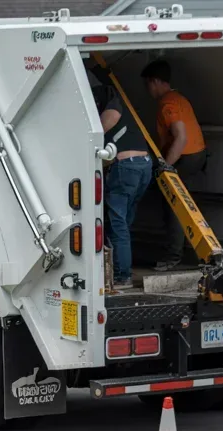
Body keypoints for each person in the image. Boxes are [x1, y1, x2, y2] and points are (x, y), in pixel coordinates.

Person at [142, 59, 208, 271]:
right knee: (183, 206)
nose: (147, 90)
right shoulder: (178, 98)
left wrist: (165, 166)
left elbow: (180, 137)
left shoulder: (167, 103)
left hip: (184, 157)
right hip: (197, 155)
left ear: (155, 82)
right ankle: (187, 251)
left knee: (174, 207)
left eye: (148, 85)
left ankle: (173, 257)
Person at [95, 82, 152, 290]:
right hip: (144, 165)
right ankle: (122, 266)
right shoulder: (125, 109)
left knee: (117, 224)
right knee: (124, 222)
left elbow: (103, 125)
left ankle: (122, 275)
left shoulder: (112, 106)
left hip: (126, 166)